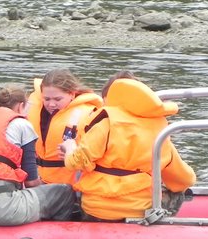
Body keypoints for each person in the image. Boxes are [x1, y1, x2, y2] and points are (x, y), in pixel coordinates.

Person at [59, 75, 196, 221]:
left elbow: (77, 162)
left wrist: (70, 147)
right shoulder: (159, 129)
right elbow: (183, 179)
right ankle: (159, 229)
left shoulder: (104, 123)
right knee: (177, 190)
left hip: (96, 209)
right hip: (138, 210)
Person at [0, 84, 75, 226]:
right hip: (3, 210)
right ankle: (54, 238)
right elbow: (31, 182)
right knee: (64, 192)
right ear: (21, 106)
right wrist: (47, 185)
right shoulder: (21, 124)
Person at [26, 68, 103, 185]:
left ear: (71, 94)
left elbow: (97, 154)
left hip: (69, 186)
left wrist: (74, 152)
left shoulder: (90, 115)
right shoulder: (30, 107)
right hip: (36, 181)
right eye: (46, 99)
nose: (51, 104)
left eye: (57, 99)